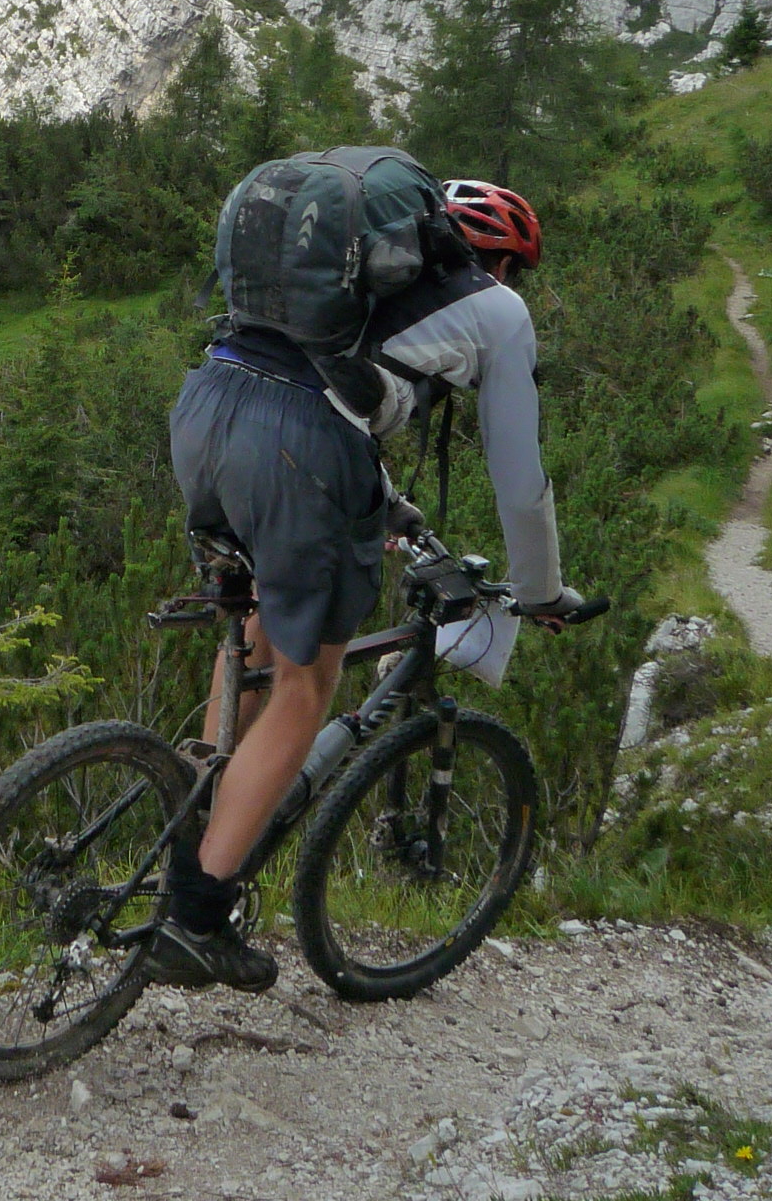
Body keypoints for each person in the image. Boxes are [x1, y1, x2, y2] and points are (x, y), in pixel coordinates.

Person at [153, 175, 588, 991]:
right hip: (293, 449)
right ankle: (196, 917)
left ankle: (198, 816)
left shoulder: (340, 290)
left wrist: (383, 501)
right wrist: (539, 592)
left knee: (256, 630)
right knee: (306, 684)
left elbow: (330, 386)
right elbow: (521, 485)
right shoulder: (497, 311)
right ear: (501, 262)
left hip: (204, 408)